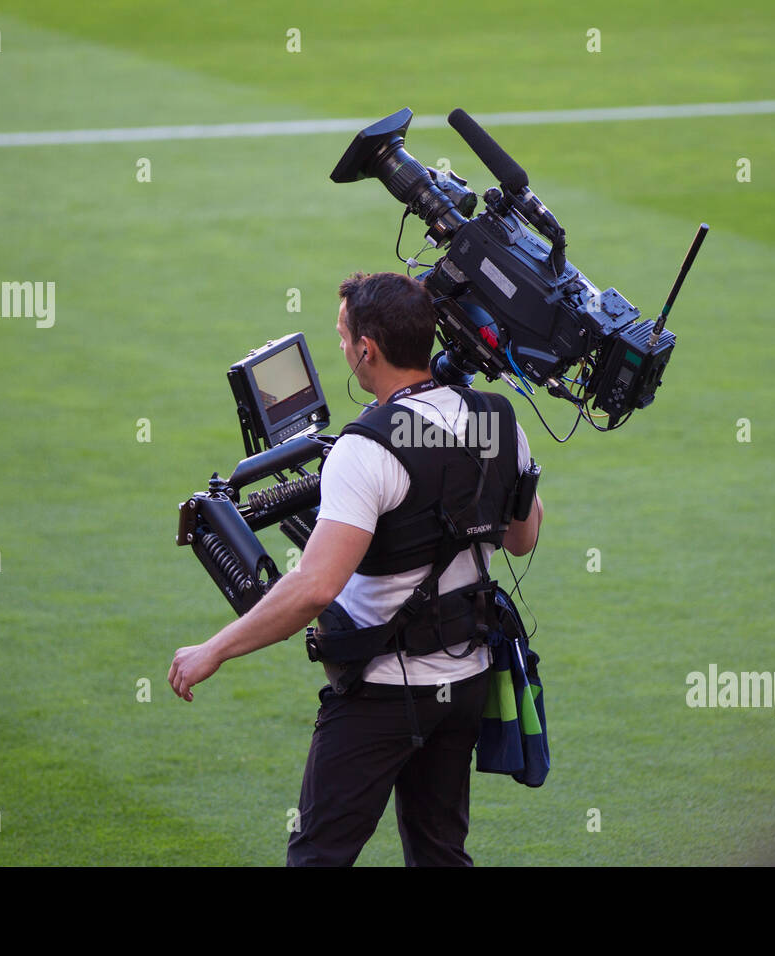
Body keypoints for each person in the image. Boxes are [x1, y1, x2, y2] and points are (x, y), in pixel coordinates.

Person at [168, 270, 543, 866]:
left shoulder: (365, 448)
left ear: (367, 349)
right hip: (466, 681)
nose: (341, 347)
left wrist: (213, 650)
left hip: (383, 695)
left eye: (343, 337)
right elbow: (522, 539)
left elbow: (314, 588)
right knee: (441, 854)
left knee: (319, 856)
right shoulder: (499, 420)